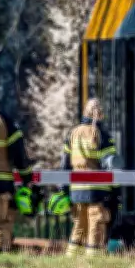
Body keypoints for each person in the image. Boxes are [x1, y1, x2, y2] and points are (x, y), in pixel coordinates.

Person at [49, 98, 120, 256]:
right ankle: (93, 260)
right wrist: (116, 191)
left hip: (76, 189)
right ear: (101, 114)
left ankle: (72, 256)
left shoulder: (73, 133)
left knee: (79, 224)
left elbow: (64, 164)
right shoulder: (103, 135)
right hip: (97, 189)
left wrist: (64, 188)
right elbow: (111, 165)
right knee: (96, 223)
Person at [0, 90, 36, 252]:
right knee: (0, 225)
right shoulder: (4, 121)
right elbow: (19, 154)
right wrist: (26, 177)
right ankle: (1, 267)